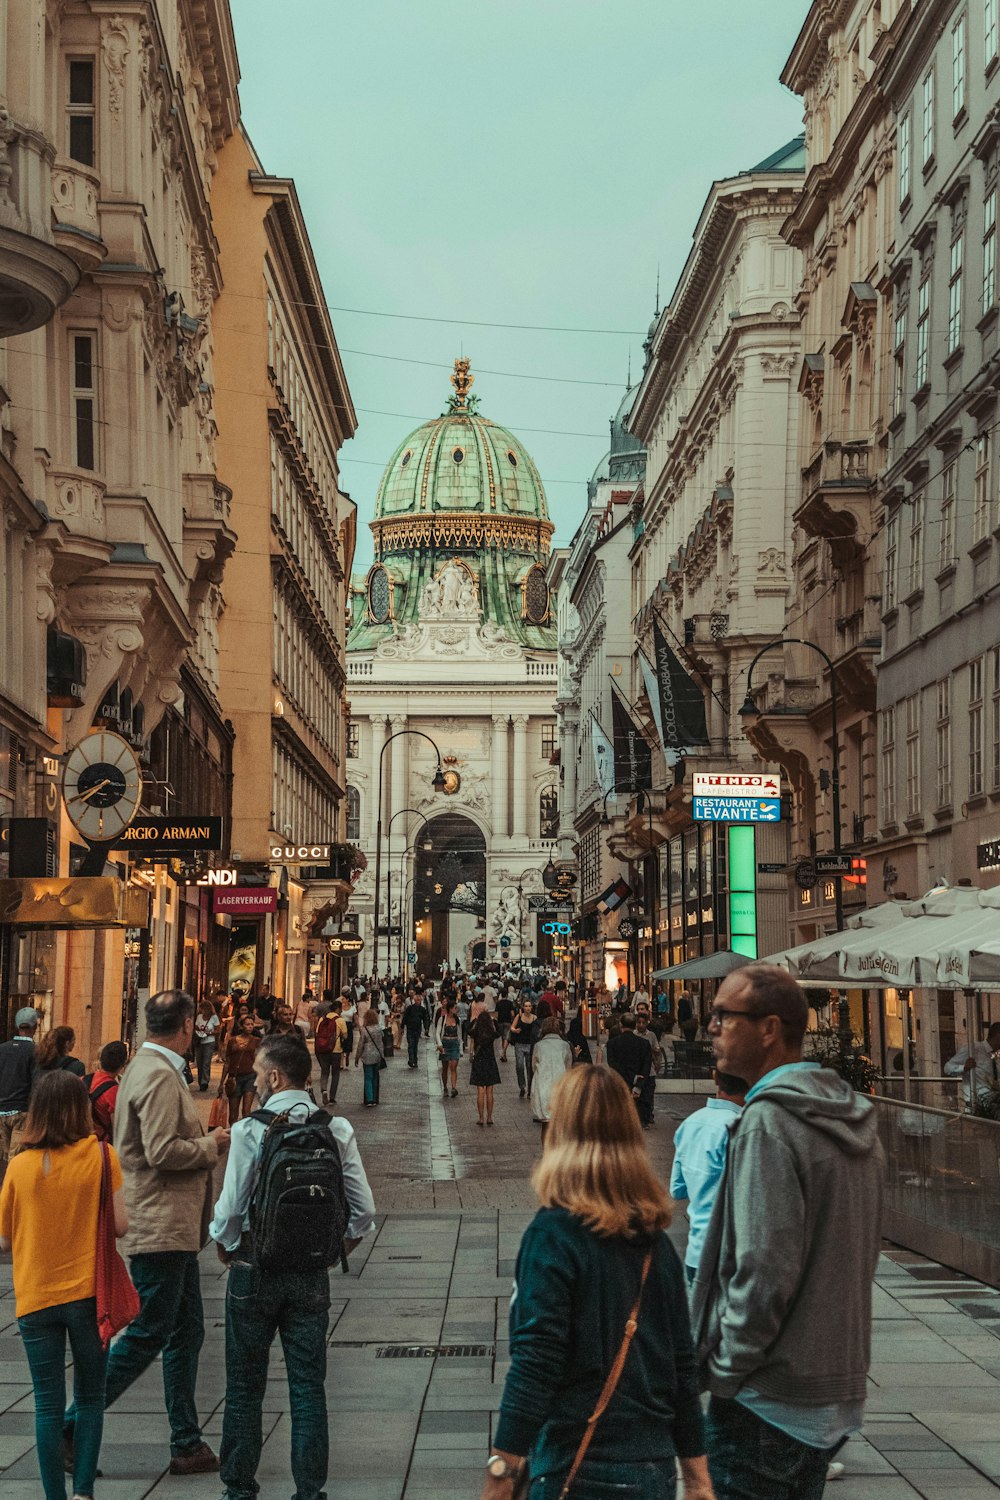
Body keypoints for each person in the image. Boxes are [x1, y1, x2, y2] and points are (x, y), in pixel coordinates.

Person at [692, 963, 883, 1500]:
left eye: (724, 1017)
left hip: (768, 1398)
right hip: (831, 1390)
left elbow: (763, 1269)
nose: (711, 1028)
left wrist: (726, 1371)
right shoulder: (849, 1116)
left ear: (769, 1029)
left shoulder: (770, 1123)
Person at [484, 1066, 713, 1500]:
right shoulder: (656, 1245)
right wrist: (698, 1478)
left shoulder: (552, 1235)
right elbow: (682, 1366)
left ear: (560, 1132)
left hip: (577, 1466)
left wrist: (501, 1473)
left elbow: (536, 1362)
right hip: (652, 1470)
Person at [64, 989, 230, 1477]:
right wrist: (210, 1143)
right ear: (184, 1026)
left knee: (186, 1331)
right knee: (147, 1332)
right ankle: (70, 1425)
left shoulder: (144, 1067)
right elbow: (161, 1151)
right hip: (160, 1226)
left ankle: (186, 1441)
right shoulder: (158, 1075)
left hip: (172, 1227)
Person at [210, 1032, 376, 1500]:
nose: (257, 1081)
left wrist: (225, 1246)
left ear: (275, 1075)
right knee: (308, 1388)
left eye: (261, 1073)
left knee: (244, 1388)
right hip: (309, 1276)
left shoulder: (249, 1130)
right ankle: (309, 1491)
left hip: (254, 1271)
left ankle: (239, 1489)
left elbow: (229, 1211)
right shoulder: (335, 1129)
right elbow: (363, 1211)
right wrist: (331, 1249)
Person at [0, 1071, 129, 1500]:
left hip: (35, 1297)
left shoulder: (18, 1166)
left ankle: (54, 1496)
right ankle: (84, 1493)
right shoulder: (102, 1156)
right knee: (91, 1398)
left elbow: (3, 1239)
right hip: (90, 1298)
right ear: (81, 1110)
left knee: (46, 1403)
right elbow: (122, 1226)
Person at [669, 1071, 746, 1287]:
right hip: (732, 1254)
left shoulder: (691, 1123)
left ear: (715, 1078)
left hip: (696, 1251)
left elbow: (677, 1188)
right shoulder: (743, 1127)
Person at [0, 1005, 39, 1175]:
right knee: (16, 1161)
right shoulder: (36, 1051)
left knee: (4, 1158)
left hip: (1, 1111)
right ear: (34, 1027)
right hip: (22, 1112)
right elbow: (37, 1082)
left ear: (17, 1026)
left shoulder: (2, 1049)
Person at [606, 1013, 654, 1125]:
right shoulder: (644, 1044)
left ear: (621, 1025)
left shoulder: (613, 1043)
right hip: (639, 1088)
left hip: (619, 1083)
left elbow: (612, 1064)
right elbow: (646, 1066)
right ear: (635, 1025)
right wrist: (638, 1085)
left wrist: (631, 1077)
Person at [530, 1018, 572, 1140]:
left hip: (543, 1086)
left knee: (546, 1125)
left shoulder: (539, 1046)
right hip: (560, 1087)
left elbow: (534, 1066)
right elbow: (568, 1066)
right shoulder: (564, 1046)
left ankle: (547, 1152)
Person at [944, 1021, 1000, 1107]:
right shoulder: (973, 1049)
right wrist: (964, 1068)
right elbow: (948, 1068)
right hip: (977, 1104)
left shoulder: (995, 1055)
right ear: (998, 1035)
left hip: (993, 1104)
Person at [220, 1014, 261, 1124]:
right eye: (247, 1024)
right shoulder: (232, 1041)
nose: (250, 1027)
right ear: (241, 1026)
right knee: (233, 1113)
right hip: (234, 1078)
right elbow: (227, 1062)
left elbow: (260, 1060)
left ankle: (245, 1136)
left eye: (252, 1024)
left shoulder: (256, 1041)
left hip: (250, 1076)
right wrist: (221, 1083)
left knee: (246, 1111)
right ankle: (233, 1135)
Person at [85, 1041, 129, 1143]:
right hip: (101, 1146)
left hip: (80, 1143)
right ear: (122, 1065)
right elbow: (118, 1130)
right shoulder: (115, 1092)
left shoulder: (82, 1080)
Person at [469, 1008, 501, 1126]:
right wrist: (494, 1021)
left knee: (480, 1091)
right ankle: (490, 1117)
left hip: (479, 1061)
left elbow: (468, 1030)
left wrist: (474, 1020)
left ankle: (481, 1118)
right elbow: (499, 1032)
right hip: (490, 1061)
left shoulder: (476, 1031)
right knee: (490, 1091)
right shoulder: (491, 1032)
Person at [314, 1000, 347, 1104]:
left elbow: (317, 1033)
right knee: (335, 1073)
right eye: (341, 1009)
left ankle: (324, 1090)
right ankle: (332, 1097)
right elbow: (345, 1036)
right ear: (337, 1009)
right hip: (336, 1050)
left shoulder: (322, 1019)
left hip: (323, 1049)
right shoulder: (340, 1020)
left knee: (324, 1072)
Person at [354, 1006, 386, 1106]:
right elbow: (381, 1043)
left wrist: (357, 1057)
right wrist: (382, 1055)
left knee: (368, 1077)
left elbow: (360, 1044)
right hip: (377, 1055)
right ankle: (375, 1098)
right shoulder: (378, 1029)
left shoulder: (364, 1029)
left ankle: (369, 1098)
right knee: (375, 1077)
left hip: (367, 1056)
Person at [509, 998, 538, 1099]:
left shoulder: (535, 1018)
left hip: (530, 1045)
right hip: (520, 1045)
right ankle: (522, 1086)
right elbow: (512, 1027)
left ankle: (530, 1089)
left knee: (530, 1068)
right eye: (526, 1006)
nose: (528, 1008)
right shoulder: (519, 1016)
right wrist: (515, 1030)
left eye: (529, 1006)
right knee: (520, 1066)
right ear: (523, 1007)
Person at [435, 998, 462, 1098]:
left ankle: (454, 1088)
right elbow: (438, 1032)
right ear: (450, 1009)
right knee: (445, 1068)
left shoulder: (457, 1020)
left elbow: (460, 1034)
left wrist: (461, 1047)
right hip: (445, 1044)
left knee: (453, 1066)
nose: (456, 1009)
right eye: (455, 1008)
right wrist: (439, 1044)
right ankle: (445, 1087)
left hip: (454, 1043)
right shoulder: (442, 1019)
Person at [194, 999, 220, 1090]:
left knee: (206, 1063)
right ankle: (200, 1080)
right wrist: (199, 1032)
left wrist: (209, 1033)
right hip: (199, 1041)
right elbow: (196, 1027)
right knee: (199, 1062)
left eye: (204, 1009)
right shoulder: (199, 1017)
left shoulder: (214, 1018)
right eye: (202, 1009)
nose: (203, 1011)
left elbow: (217, 1030)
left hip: (209, 1042)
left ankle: (204, 1082)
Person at [402, 994, 426, 1068]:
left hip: (417, 1029)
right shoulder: (410, 1008)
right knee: (411, 1045)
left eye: (419, 1000)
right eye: (417, 1000)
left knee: (415, 1045)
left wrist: (426, 1028)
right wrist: (403, 1025)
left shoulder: (422, 1009)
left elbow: (425, 1019)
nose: (418, 1002)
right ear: (414, 1001)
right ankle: (412, 1059)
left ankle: (414, 1060)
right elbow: (405, 1017)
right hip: (410, 1029)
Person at [496, 988, 516, 1061]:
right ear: (507, 995)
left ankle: (503, 1053)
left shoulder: (498, 1003)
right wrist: (513, 1020)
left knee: (502, 1038)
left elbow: (496, 1014)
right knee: (506, 1038)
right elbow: (512, 1013)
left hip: (500, 1022)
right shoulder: (510, 1003)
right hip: (508, 1022)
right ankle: (503, 1053)